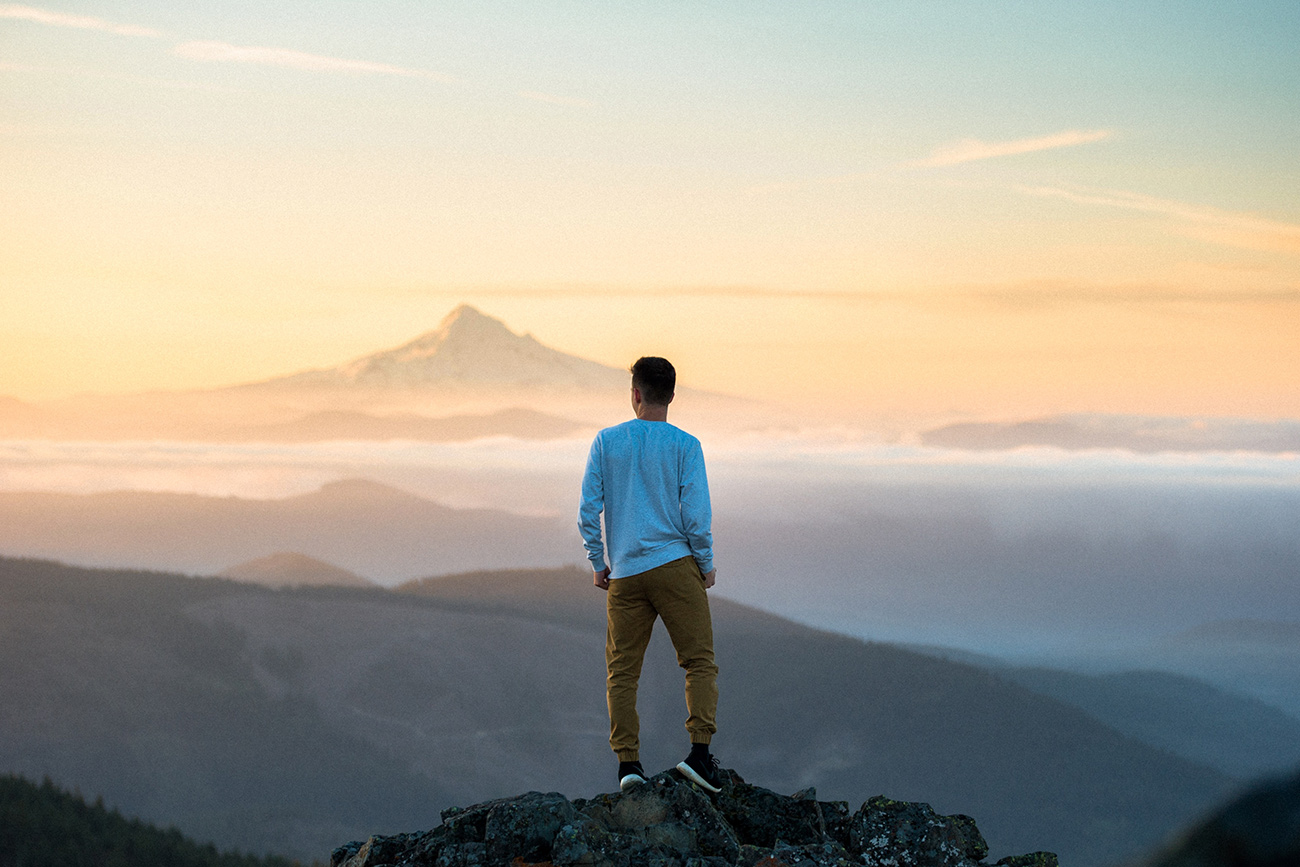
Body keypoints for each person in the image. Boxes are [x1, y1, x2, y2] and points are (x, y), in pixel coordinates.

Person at [578, 356, 723, 794]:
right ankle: (699, 755)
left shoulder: (607, 442)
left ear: (635, 393)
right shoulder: (685, 445)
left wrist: (598, 561)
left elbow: (588, 510)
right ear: (672, 395)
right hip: (675, 565)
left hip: (624, 573)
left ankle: (628, 766)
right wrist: (705, 562)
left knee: (622, 672)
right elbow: (695, 516)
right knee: (698, 661)